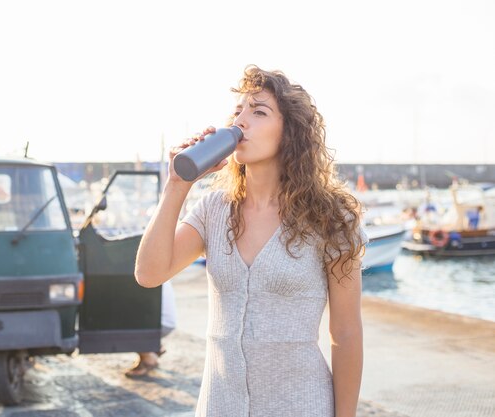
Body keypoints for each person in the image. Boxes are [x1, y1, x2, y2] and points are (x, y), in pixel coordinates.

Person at [135, 65, 368, 417]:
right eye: (238, 111)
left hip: (302, 405)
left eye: (258, 112)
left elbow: (346, 332)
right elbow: (149, 274)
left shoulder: (331, 217)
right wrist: (177, 185)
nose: (240, 121)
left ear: (290, 131)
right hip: (219, 407)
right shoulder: (214, 209)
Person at [124, 279, 177, 378]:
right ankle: (153, 347)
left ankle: (149, 358)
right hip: (161, 322)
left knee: (111, 320)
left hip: (159, 324)